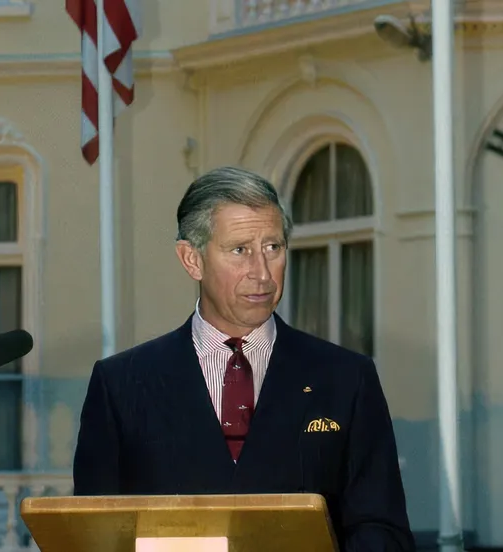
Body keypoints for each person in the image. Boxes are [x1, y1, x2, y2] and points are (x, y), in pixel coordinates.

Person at [72, 166, 415, 551]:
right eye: (240, 250)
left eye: (273, 248)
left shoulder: (347, 378)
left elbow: (382, 528)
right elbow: (93, 534)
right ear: (192, 260)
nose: (263, 273)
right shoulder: (120, 384)